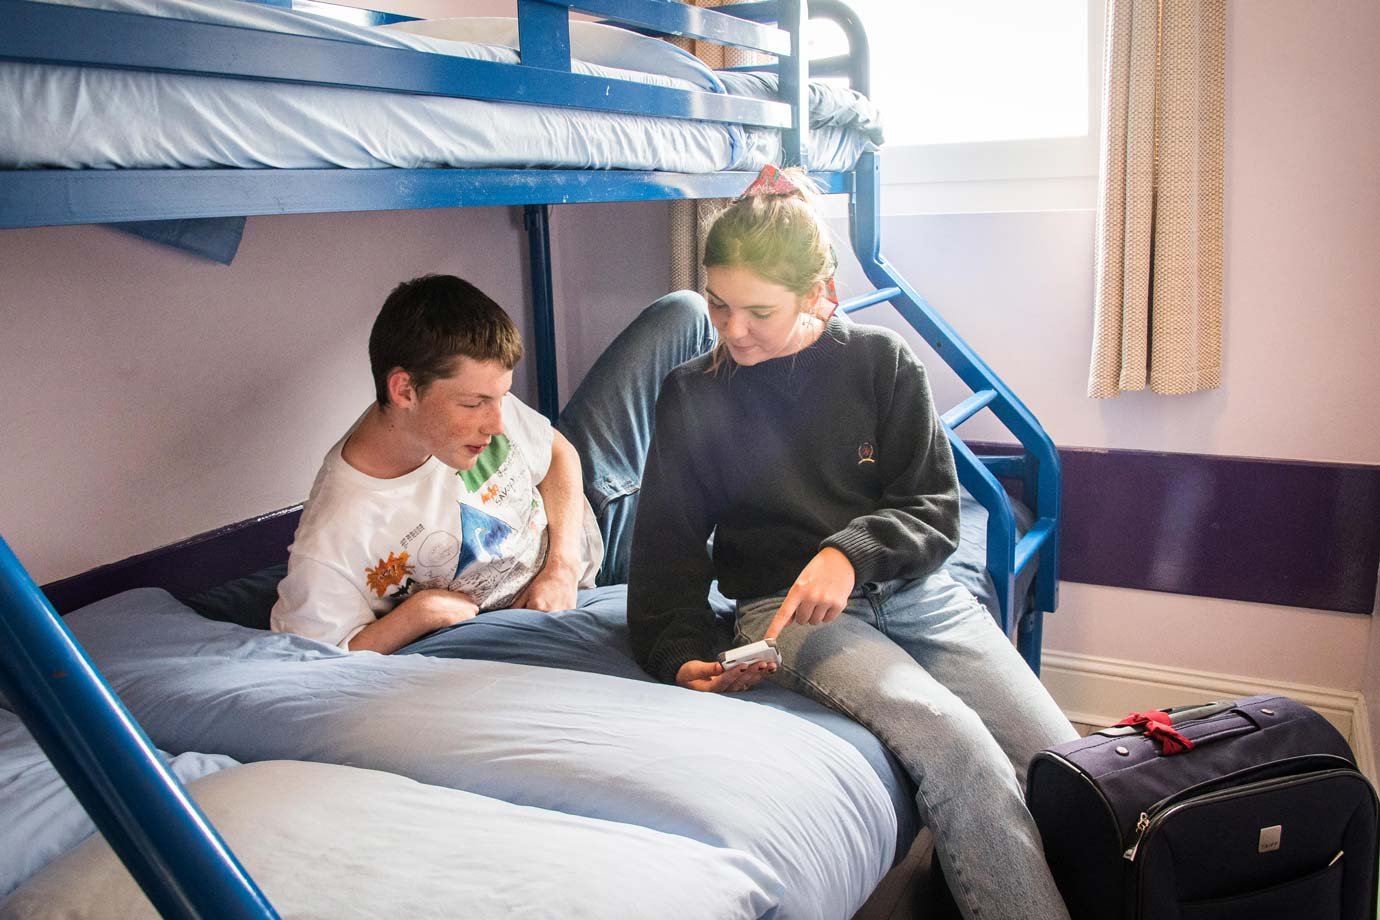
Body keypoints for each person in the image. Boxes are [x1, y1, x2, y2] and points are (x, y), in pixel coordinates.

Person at [626, 165, 1078, 920]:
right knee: (955, 746)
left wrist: (850, 551)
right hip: (791, 612)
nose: (732, 330)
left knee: (1063, 764)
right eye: (718, 305)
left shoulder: (881, 364)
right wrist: (676, 651)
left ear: (818, 296)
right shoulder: (691, 395)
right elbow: (665, 552)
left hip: (915, 594)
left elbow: (933, 508)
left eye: (758, 312)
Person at [271, 274, 713, 654]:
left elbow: (559, 454)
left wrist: (561, 565)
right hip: (614, 568)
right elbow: (315, 656)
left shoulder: (475, 409)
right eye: (476, 403)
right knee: (744, 564)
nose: (498, 422)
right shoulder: (335, 535)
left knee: (686, 312)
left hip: (577, 517)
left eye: (500, 396)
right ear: (404, 391)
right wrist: (417, 615)